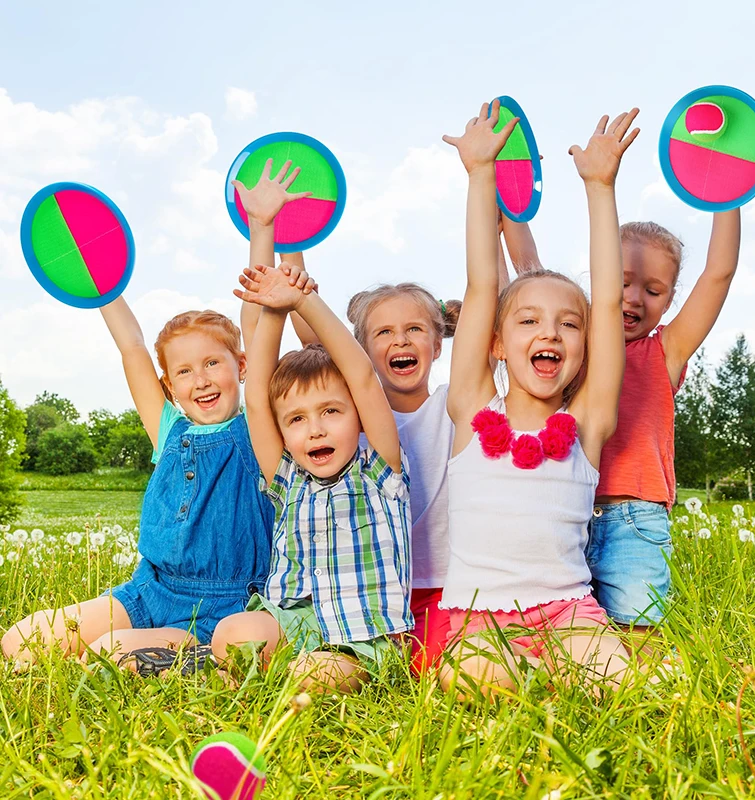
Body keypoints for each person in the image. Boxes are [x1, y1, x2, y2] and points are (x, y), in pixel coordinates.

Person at [438, 99, 639, 695]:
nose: (549, 333)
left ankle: (556, 676)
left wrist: (600, 187)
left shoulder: (587, 421)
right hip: (476, 619)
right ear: (498, 343)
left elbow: (605, 302)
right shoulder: (474, 412)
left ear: (584, 347)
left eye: (566, 325)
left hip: (568, 613)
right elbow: (481, 286)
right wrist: (480, 177)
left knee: (627, 681)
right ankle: (538, 681)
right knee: (470, 675)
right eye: (528, 322)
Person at [0, 288, 307, 667]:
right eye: (184, 371)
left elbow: (260, 327)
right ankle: (177, 651)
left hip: (228, 604)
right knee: (20, 641)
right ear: (170, 386)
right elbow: (131, 346)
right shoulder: (168, 432)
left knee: (108, 652)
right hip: (151, 591)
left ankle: (193, 648)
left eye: (212, 363)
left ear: (242, 366)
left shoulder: (259, 431)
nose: (201, 380)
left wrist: (262, 237)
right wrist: (102, 284)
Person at [211, 160, 412, 694]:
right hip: (295, 619)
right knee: (232, 635)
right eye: (297, 420)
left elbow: (364, 379)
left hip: (365, 637)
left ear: (356, 417)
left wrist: (303, 300)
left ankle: (285, 687)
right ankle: (250, 681)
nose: (315, 431)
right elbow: (257, 399)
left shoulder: (379, 469)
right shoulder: (287, 478)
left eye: (331, 412)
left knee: (311, 676)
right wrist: (273, 303)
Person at [343, 213, 539, 676]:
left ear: (438, 343)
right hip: (376, 589)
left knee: (447, 667)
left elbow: (494, 306)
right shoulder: (351, 416)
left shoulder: (457, 405)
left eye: (414, 329)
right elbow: (316, 336)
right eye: (384, 333)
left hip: (447, 587)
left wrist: (494, 234)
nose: (400, 340)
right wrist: (293, 252)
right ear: (362, 350)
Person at [588, 212, 741, 640]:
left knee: (640, 635)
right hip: (567, 512)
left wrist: (729, 195)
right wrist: (509, 215)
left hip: (636, 520)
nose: (634, 298)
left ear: (670, 299)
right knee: (570, 634)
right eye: (621, 282)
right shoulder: (575, 344)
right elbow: (530, 269)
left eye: (653, 290)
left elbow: (718, 274)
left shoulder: (665, 352)